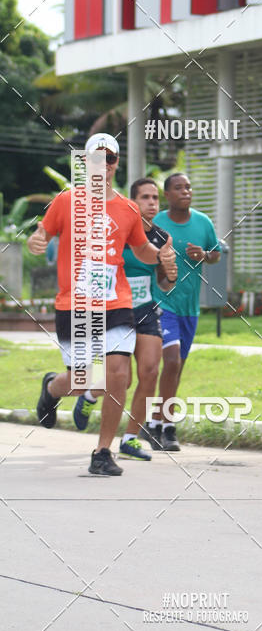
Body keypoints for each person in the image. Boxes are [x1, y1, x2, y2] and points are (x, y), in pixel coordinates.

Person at [27, 133, 176, 476]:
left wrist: (160, 256)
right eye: (96, 159)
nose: (103, 166)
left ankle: (103, 452)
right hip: (75, 303)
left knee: (118, 376)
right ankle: (52, 388)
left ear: (115, 164)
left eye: (109, 160)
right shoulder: (66, 201)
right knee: (84, 381)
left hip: (116, 302)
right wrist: (37, 240)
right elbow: (42, 233)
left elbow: (139, 249)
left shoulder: (127, 208)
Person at [72, 177, 178, 460]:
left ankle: (130, 438)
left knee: (150, 371)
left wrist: (170, 275)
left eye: (155, 198)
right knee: (122, 379)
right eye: (145, 197)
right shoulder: (114, 229)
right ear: (133, 201)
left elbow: (164, 283)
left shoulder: (161, 237)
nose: (152, 203)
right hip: (113, 309)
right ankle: (89, 396)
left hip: (144, 309)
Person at [142, 172, 221, 451]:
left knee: (177, 367)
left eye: (188, 187)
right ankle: (168, 426)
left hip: (190, 307)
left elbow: (216, 253)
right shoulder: (156, 223)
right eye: (178, 188)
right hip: (161, 302)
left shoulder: (203, 222)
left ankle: (154, 421)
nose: (185, 191)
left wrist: (205, 255)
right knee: (171, 361)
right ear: (167, 194)